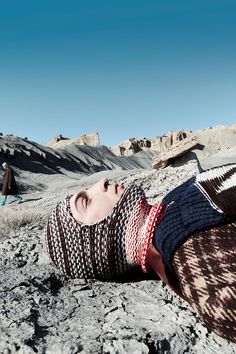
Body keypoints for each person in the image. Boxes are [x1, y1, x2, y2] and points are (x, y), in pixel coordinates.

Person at [44, 164, 236, 343]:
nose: (101, 182)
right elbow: (221, 308)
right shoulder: (185, 245)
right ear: (95, 241)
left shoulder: (165, 208)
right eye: (85, 201)